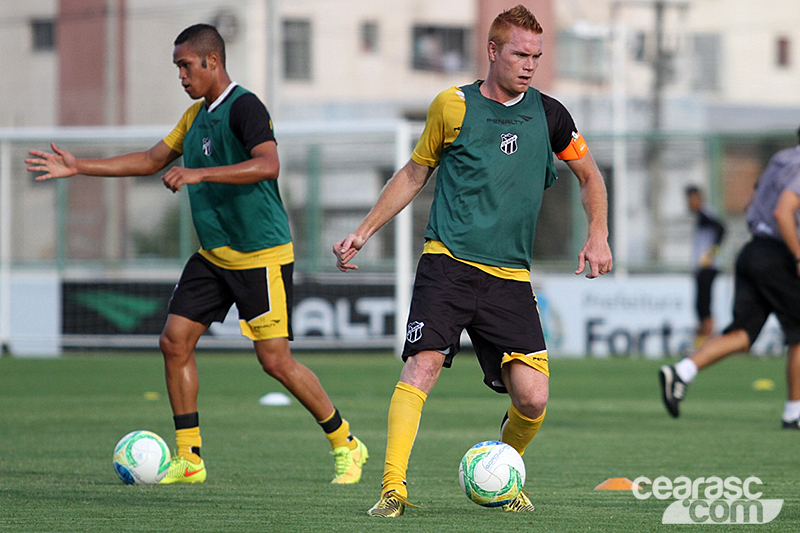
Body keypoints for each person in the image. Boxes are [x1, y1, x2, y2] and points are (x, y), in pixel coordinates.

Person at [26, 23, 367, 485]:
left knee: (275, 362)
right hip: (214, 256)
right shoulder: (194, 117)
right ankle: (189, 458)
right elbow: (151, 160)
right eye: (177, 68)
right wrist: (79, 166)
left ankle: (346, 442)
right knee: (174, 341)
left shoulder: (245, 106)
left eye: (186, 66)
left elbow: (268, 164)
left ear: (212, 61)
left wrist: (200, 174)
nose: (181, 76)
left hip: (260, 255)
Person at [333, 5, 612, 517]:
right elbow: (414, 173)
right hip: (449, 262)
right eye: (520, 54)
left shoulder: (551, 116)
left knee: (533, 398)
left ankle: (502, 471)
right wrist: (363, 231)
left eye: (537, 56)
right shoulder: (453, 106)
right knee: (423, 365)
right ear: (492, 50)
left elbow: (590, 176)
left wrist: (598, 233)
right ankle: (392, 489)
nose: (530, 65)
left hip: (510, 277)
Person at [661, 127, 800, 429]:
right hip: (778, 255)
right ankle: (794, 413)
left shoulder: (781, 159)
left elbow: (753, 202)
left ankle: (682, 371)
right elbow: (783, 212)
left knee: (743, 334)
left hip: (752, 250)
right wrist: (798, 256)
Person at [685, 185, 726, 346]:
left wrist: (711, 254)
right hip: (702, 267)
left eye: (691, 199)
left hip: (708, 267)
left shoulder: (705, 213)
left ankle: (708, 339)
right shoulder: (701, 216)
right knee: (700, 304)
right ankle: (703, 337)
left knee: (704, 304)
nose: (689, 203)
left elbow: (722, 229)